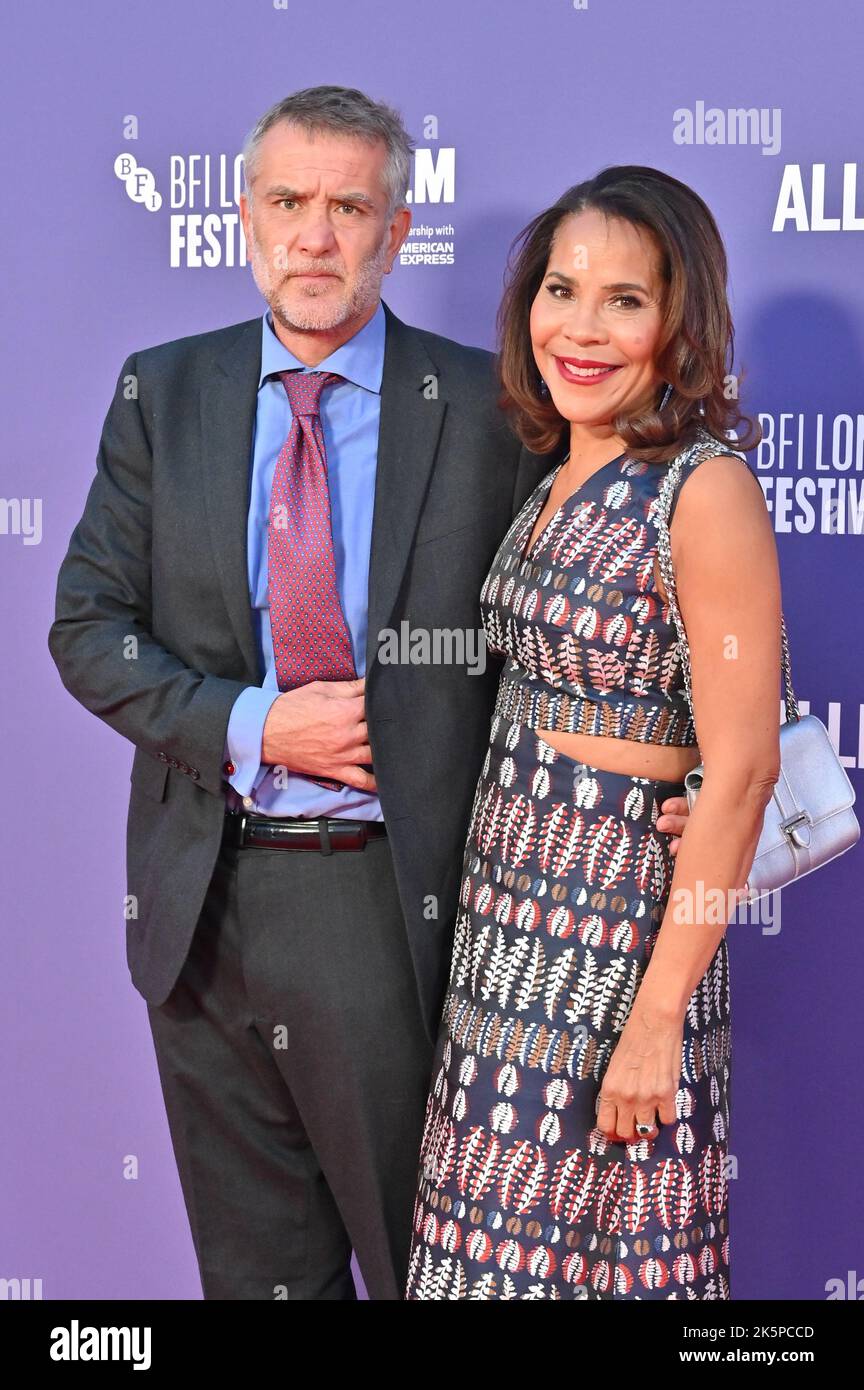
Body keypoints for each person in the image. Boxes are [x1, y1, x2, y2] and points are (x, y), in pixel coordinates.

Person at [47, 88, 689, 1301]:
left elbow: (611, 619)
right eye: (288, 203)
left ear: (397, 233)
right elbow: (88, 629)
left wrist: (687, 774)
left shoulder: (508, 412)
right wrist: (253, 724)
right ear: (245, 218)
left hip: (400, 920)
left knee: (427, 1277)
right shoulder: (161, 392)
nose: (315, 236)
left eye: (350, 207)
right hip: (203, 916)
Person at [405, 166, 781, 1301]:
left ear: (681, 322)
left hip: (618, 947)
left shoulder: (702, 488)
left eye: (625, 299)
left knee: (613, 1260)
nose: (582, 326)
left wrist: (658, 1016)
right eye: (561, 289)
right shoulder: (558, 472)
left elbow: (746, 764)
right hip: (505, 940)